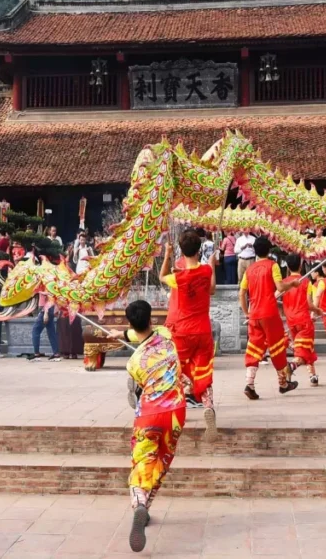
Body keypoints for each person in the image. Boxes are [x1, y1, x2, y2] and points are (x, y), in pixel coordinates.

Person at [114, 300, 185, 553]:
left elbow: (133, 396)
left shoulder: (132, 363)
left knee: (143, 460)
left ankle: (139, 503)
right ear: (151, 320)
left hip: (149, 415)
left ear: (130, 324)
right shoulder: (167, 338)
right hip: (176, 411)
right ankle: (146, 507)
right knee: (162, 462)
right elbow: (146, 333)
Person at [160, 230, 220, 441]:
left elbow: (161, 277)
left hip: (183, 331)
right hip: (203, 329)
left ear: (180, 249)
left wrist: (167, 255)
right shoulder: (205, 271)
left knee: (175, 369)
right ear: (200, 249)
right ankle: (209, 407)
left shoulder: (178, 277)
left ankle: (172, 410)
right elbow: (212, 290)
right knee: (203, 370)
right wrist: (212, 264)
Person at [239, 236, 302, 399]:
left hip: (254, 315)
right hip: (269, 314)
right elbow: (280, 287)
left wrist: (246, 312)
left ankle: (249, 384)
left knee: (253, 348)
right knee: (277, 348)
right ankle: (283, 384)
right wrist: (292, 285)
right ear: (269, 250)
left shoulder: (249, 269)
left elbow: (242, 293)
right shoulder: (272, 266)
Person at [282, 254, 322, 386]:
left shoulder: (283, 283)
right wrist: (317, 311)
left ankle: (313, 376)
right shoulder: (306, 281)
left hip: (291, 321)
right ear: (300, 266)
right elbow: (309, 304)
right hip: (303, 320)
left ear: (287, 266)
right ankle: (292, 366)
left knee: (306, 348)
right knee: (303, 350)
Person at [29, 292, 60, 360]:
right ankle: (56, 353)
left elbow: (48, 297)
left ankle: (36, 354)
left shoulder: (45, 283)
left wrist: (45, 312)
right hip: (50, 309)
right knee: (51, 332)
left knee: (35, 331)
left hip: (46, 309)